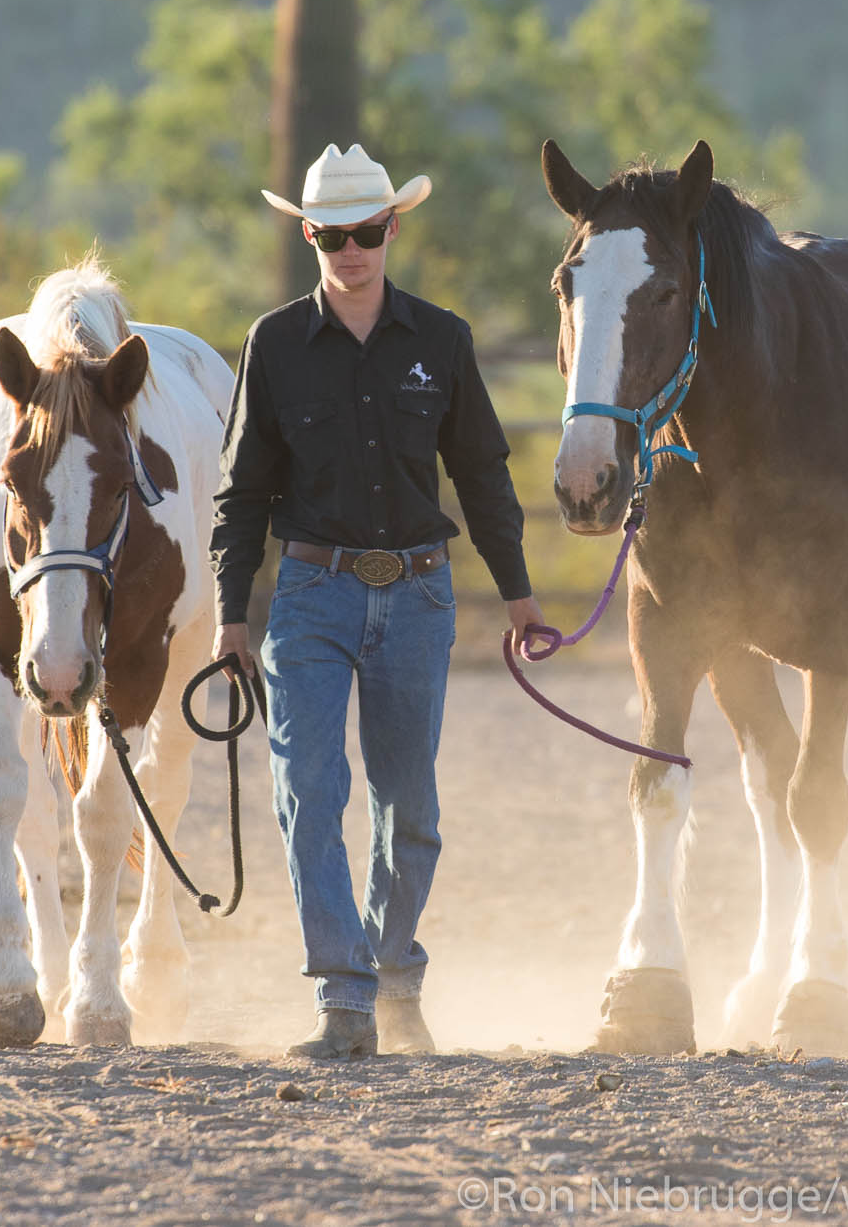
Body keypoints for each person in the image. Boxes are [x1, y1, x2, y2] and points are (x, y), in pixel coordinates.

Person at [212, 142, 545, 1060]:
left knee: (410, 808)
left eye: (365, 232)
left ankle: (394, 973)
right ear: (310, 236)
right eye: (331, 236)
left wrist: (518, 594)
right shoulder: (274, 343)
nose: (350, 251)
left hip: (419, 595)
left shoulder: (443, 340)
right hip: (310, 595)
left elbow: (481, 473)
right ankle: (344, 999)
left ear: (393, 228)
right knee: (307, 793)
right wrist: (229, 615)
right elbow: (241, 494)